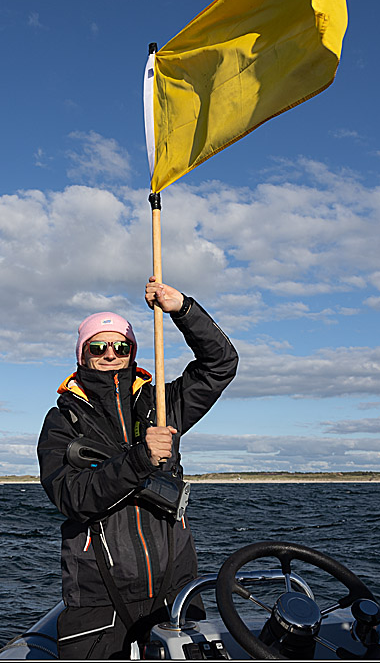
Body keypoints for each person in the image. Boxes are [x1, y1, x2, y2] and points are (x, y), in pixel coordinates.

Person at [37, 276, 239, 659]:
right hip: (100, 595)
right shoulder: (63, 420)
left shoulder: (162, 403)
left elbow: (221, 364)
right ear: (82, 354)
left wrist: (183, 309)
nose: (110, 353)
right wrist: (140, 459)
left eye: (121, 345)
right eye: (98, 346)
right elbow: (71, 497)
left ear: (132, 350)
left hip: (176, 586)